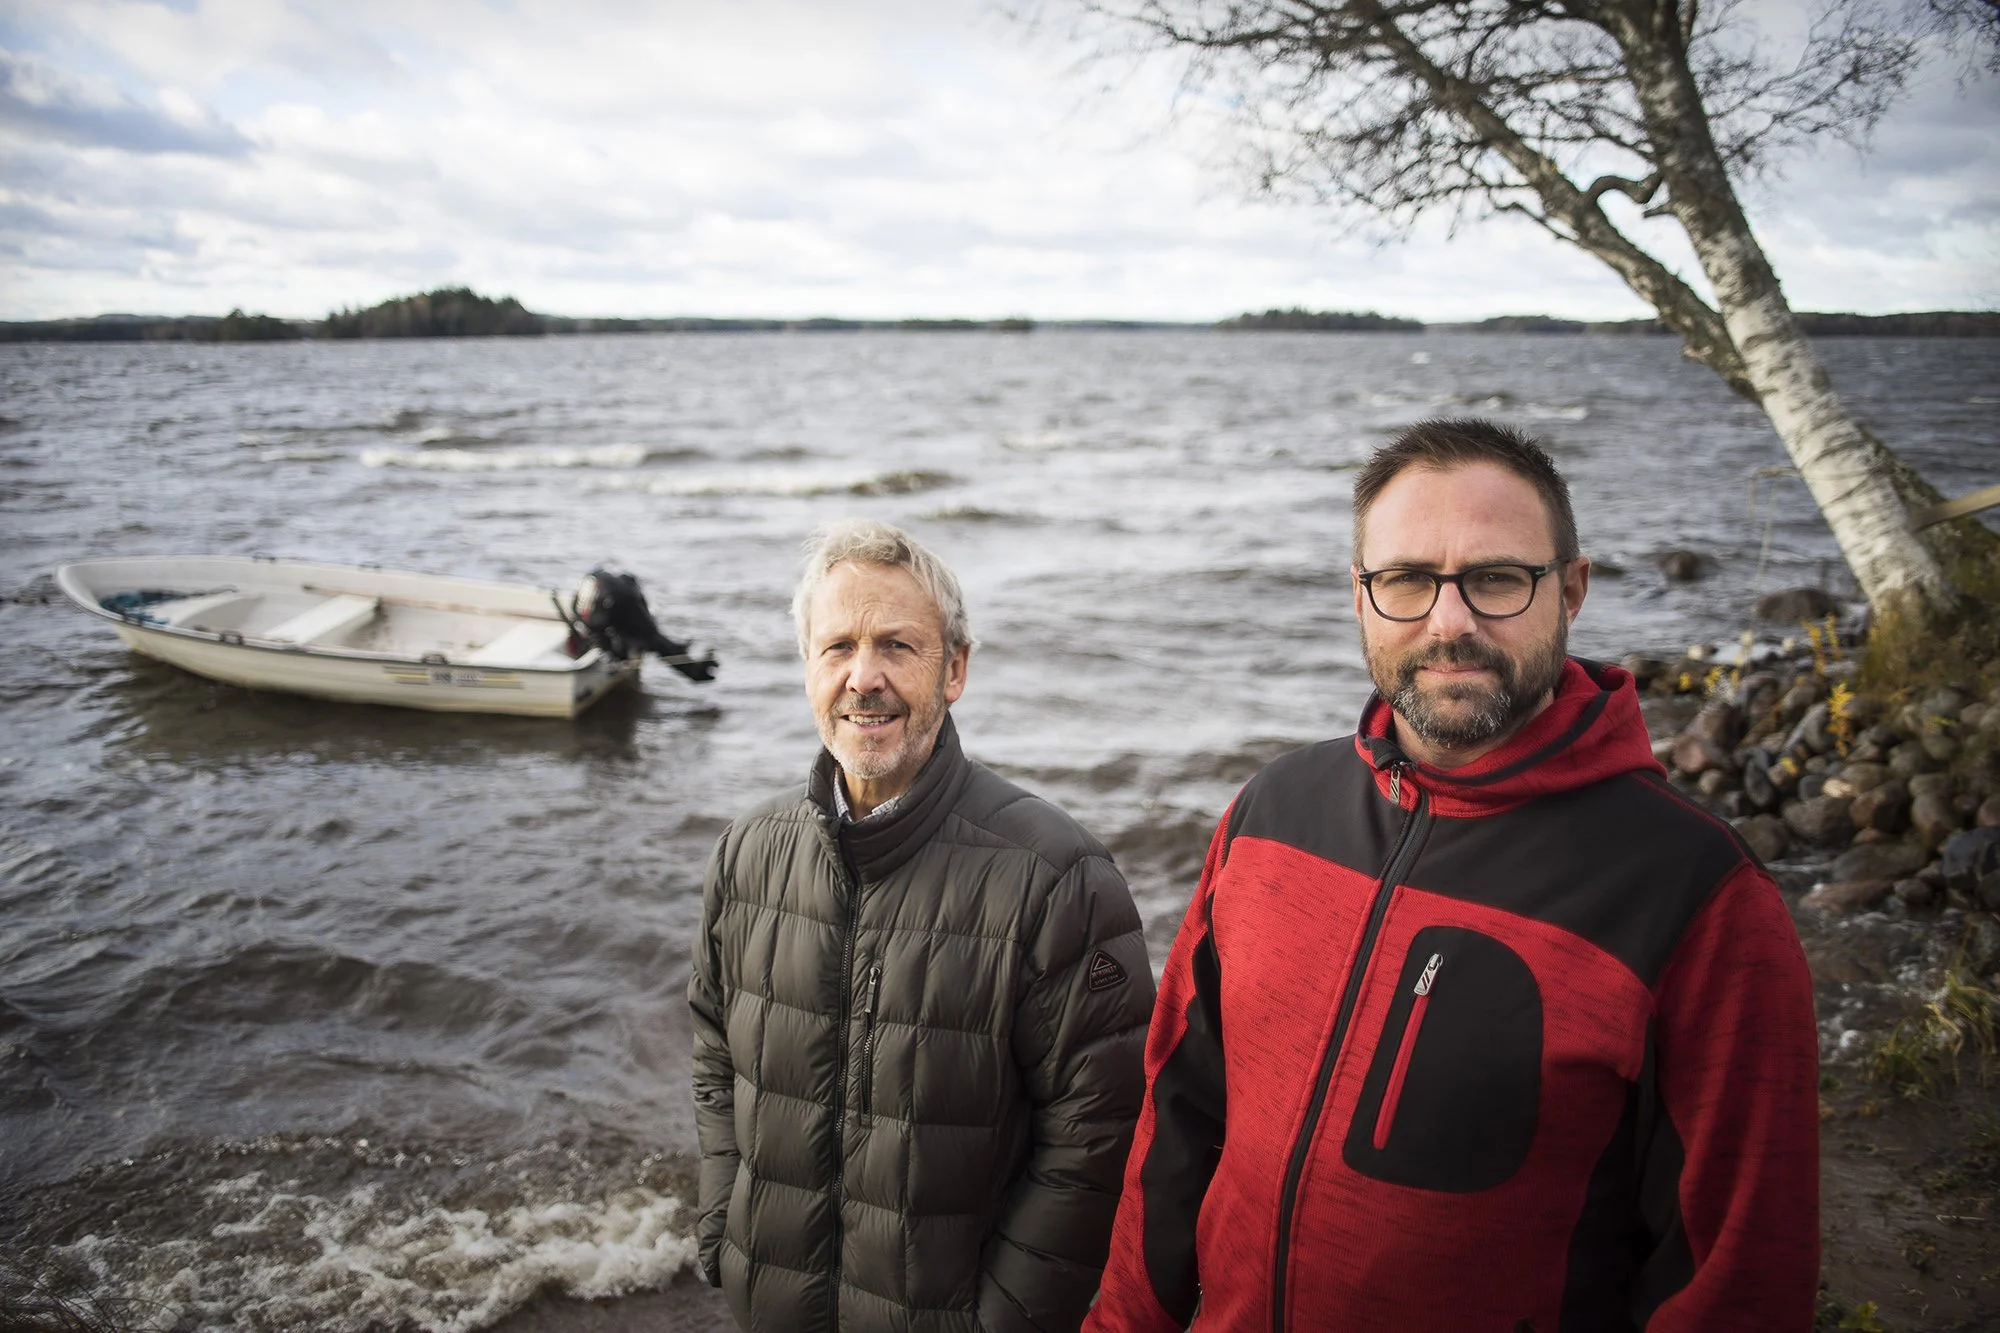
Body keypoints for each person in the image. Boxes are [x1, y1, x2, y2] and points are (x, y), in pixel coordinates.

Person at [1086, 419, 1820, 1331]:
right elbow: (1178, 1117)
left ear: (1572, 590)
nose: (1450, 622)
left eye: (1497, 577)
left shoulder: (1696, 895)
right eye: (1406, 579)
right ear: (1359, 596)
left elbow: (1735, 1275)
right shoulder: (1272, 812)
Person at [690, 518, 1156, 1332]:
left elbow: (1098, 1134)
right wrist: (724, 1226)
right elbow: (713, 1052)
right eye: (838, 646)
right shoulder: (747, 854)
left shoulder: (1055, 876)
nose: (863, 677)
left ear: (955, 669)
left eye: (897, 646)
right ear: (808, 666)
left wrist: (1003, 1318)